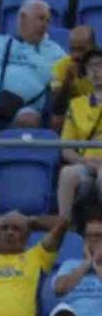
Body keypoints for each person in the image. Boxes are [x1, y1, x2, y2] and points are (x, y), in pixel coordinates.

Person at [0, 0, 65, 134]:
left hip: (23, 112)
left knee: (28, 118)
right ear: (22, 18)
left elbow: (67, 79)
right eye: (40, 18)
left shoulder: (55, 52)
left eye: (48, 21)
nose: (45, 25)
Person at [55, 49, 102, 221]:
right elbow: (66, 148)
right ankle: (63, 230)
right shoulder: (76, 105)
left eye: (100, 66)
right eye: (91, 67)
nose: (95, 71)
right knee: (67, 173)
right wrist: (84, 161)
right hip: (86, 165)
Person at [52, 216, 102, 316]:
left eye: (98, 236)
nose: (93, 240)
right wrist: (85, 265)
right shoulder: (70, 265)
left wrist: (97, 265)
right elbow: (59, 289)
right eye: (89, 236)